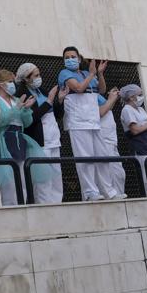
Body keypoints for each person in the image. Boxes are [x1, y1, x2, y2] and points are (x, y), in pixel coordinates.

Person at [57, 47, 115, 201]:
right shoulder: (65, 73)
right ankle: (90, 193)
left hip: (93, 119)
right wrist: (91, 74)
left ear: (79, 58)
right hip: (77, 121)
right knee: (85, 157)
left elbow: (101, 90)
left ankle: (108, 191)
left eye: (73, 56)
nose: (70, 59)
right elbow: (78, 88)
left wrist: (99, 73)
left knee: (102, 155)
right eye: (66, 57)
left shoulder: (84, 73)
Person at [0, 69, 43, 206]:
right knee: (9, 184)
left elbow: (27, 122)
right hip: (6, 140)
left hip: (20, 139)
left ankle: (23, 209)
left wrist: (26, 109)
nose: (13, 85)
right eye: (9, 82)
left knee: (24, 181)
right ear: (0, 84)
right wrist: (17, 109)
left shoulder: (16, 99)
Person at [15, 62, 63, 204]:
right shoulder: (21, 94)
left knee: (56, 176)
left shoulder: (41, 90)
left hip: (53, 138)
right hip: (39, 141)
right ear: (26, 78)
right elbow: (31, 118)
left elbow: (58, 114)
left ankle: (57, 204)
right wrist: (48, 101)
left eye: (39, 74)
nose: (39, 78)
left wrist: (59, 100)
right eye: (36, 75)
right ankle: (44, 206)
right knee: (43, 178)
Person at [96, 88, 127, 199]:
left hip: (111, 140)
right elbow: (101, 112)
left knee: (119, 172)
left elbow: (108, 108)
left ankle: (118, 193)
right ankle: (112, 195)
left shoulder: (98, 94)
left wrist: (112, 98)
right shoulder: (89, 96)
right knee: (111, 170)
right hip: (104, 139)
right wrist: (111, 99)